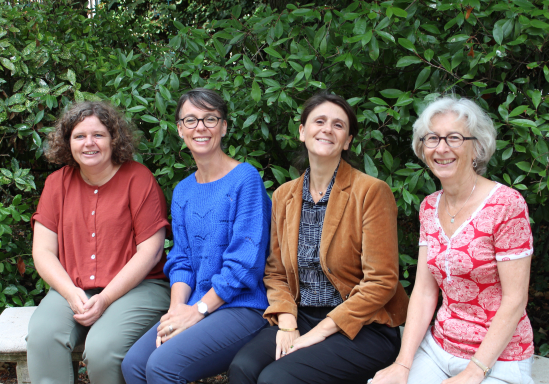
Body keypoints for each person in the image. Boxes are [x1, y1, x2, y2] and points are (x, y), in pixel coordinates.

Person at [229, 93, 409, 384]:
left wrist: (320, 331)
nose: (327, 129)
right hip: (301, 314)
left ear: (347, 140)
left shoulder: (371, 192)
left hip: (363, 325)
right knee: (244, 368)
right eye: (319, 121)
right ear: (302, 131)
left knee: (277, 379)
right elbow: (274, 273)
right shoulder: (283, 196)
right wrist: (287, 321)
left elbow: (382, 281)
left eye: (338, 125)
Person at [370, 97, 535, 384]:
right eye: (432, 138)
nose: (441, 148)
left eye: (454, 138)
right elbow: (423, 292)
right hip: (438, 349)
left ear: (477, 146)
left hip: (497, 358)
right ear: (422, 148)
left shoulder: (507, 204)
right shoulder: (429, 207)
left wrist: (473, 372)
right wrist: (403, 364)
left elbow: (515, 299)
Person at [121, 88, 271, 384]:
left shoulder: (246, 180)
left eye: (210, 119)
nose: (200, 127)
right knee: (134, 366)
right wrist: (178, 308)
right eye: (191, 120)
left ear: (224, 126)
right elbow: (181, 260)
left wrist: (197, 311)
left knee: (162, 366)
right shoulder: (183, 191)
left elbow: (244, 265)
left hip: (242, 307)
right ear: (180, 130)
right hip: (195, 303)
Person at [27, 101, 172, 384]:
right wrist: (69, 293)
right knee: (43, 336)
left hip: (138, 288)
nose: (89, 143)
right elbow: (43, 251)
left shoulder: (139, 179)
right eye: (79, 136)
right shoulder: (57, 184)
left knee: (103, 349)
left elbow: (151, 252)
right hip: (75, 287)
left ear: (113, 139)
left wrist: (104, 298)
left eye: (98, 135)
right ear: (68, 142)